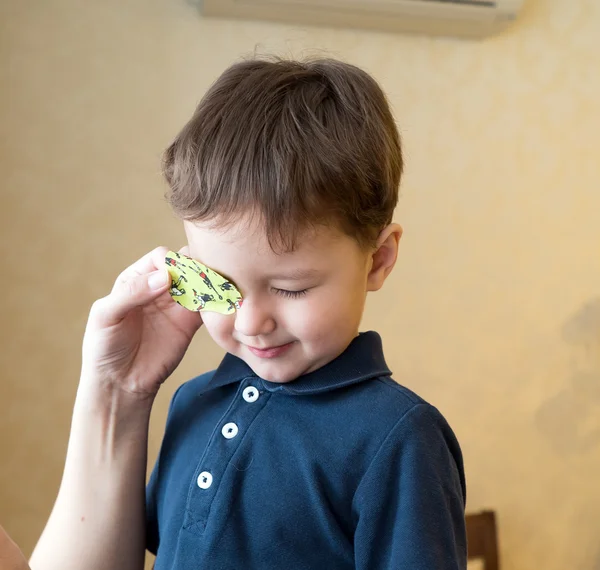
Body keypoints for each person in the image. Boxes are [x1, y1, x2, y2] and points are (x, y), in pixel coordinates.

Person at [28, 57, 466, 570]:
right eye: (222, 287)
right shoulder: (194, 402)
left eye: (291, 288)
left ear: (380, 258)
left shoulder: (400, 438)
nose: (250, 321)